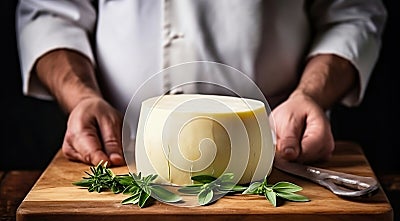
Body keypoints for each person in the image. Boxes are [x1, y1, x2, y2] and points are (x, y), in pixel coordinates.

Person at [16, 0, 387, 167]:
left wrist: (310, 94)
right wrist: (81, 97)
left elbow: (352, 13)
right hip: (123, 151)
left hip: (272, 152)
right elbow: (49, 12)